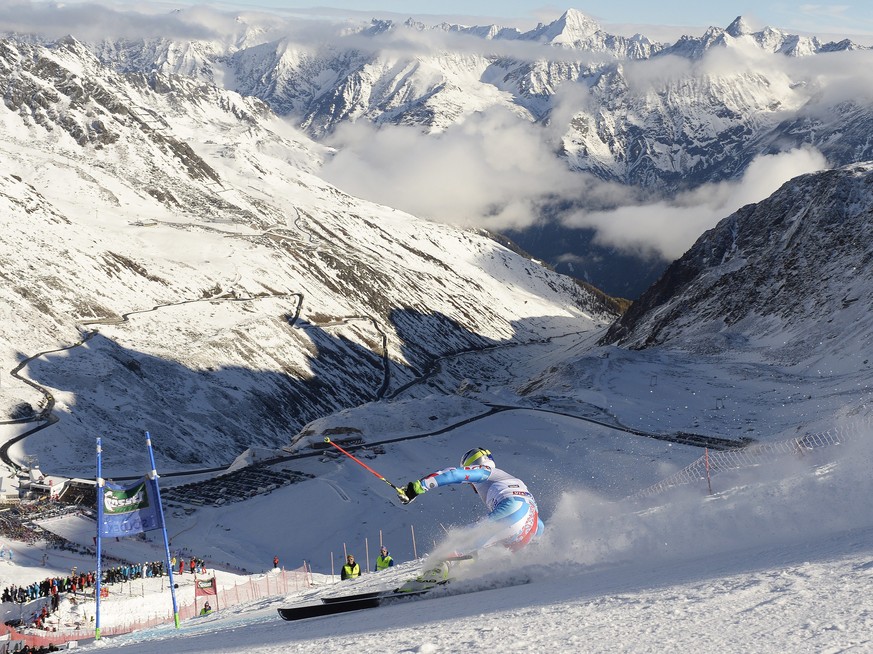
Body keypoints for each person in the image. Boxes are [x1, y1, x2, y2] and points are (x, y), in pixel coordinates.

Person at [402, 447, 544, 553]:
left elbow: (454, 474)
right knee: (487, 553)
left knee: (460, 541)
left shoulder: (486, 471)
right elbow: (538, 525)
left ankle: (436, 573)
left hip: (513, 510)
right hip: (529, 528)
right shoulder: (512, 481)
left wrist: (416, 488)